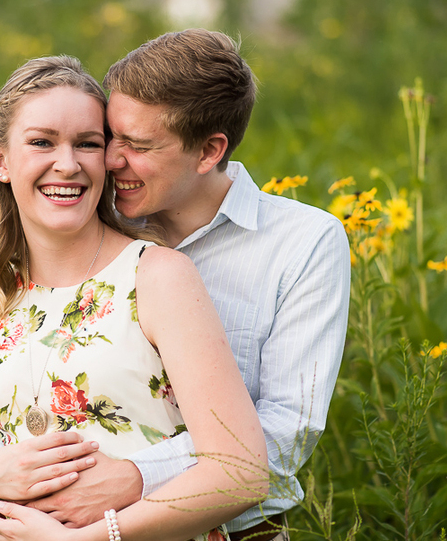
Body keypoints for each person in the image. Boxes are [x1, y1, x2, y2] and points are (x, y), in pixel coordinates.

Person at [19, 30, 351, 541]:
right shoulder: (85, 222)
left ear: (208, 150)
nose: (109, 160)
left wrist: (135, 477)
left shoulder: (303, 242)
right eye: (112, 137)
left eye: (139, 145)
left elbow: (287, 431)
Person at [0, 55, 268, 541]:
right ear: (0, 161)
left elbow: (242, 471)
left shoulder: (157, 278)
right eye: (42, 142)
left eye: (87, 144)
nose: (67, 165)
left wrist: (92, 537)